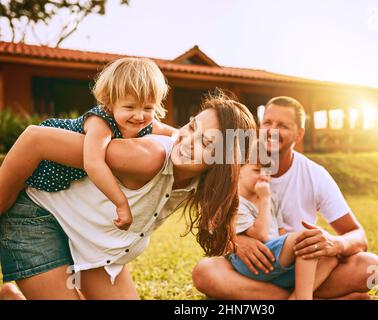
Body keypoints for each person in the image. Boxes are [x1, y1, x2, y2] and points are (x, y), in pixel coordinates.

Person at [0, 92, 257, 299]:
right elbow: (36, 139)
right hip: (37, 216)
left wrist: (240, 239)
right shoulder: (147, 157)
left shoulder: (204, 179)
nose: (188, 140)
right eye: (191, 126)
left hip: (96, 245)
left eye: (207, 143)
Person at [192, 96, 378, 300]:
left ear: (299, 134)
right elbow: (210, 227)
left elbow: (358, 236)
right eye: (267, 122)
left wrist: (334, 243)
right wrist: (236, 240)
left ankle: (288, 296)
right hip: (251, 269)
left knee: (371, 266)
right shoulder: (237, 164)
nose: (272, 131)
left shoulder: (315, 174)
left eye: (282, 125)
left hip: (305, 270)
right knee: (204, 272)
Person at [0, 57, 171, 230]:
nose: (140, 116)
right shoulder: (101, 122)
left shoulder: (146, 123)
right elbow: (93, 163)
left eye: (148, 108)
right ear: (109, 102)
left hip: (56, 183)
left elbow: (178, 134)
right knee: (3, 200)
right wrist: (121, 203)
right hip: (40, 161)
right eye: (129, 107)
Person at [229, 153, 338, 300]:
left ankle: (295, 297)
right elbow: (260, 235)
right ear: (238, 171)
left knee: (328, 257)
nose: (263, 176)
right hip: (252, 261)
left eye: (266, 172)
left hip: (274, 258)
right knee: (305, 239)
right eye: (256, 170)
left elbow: (280, 231)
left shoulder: (272, 198)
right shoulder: (236, 203)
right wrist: (264, 199)